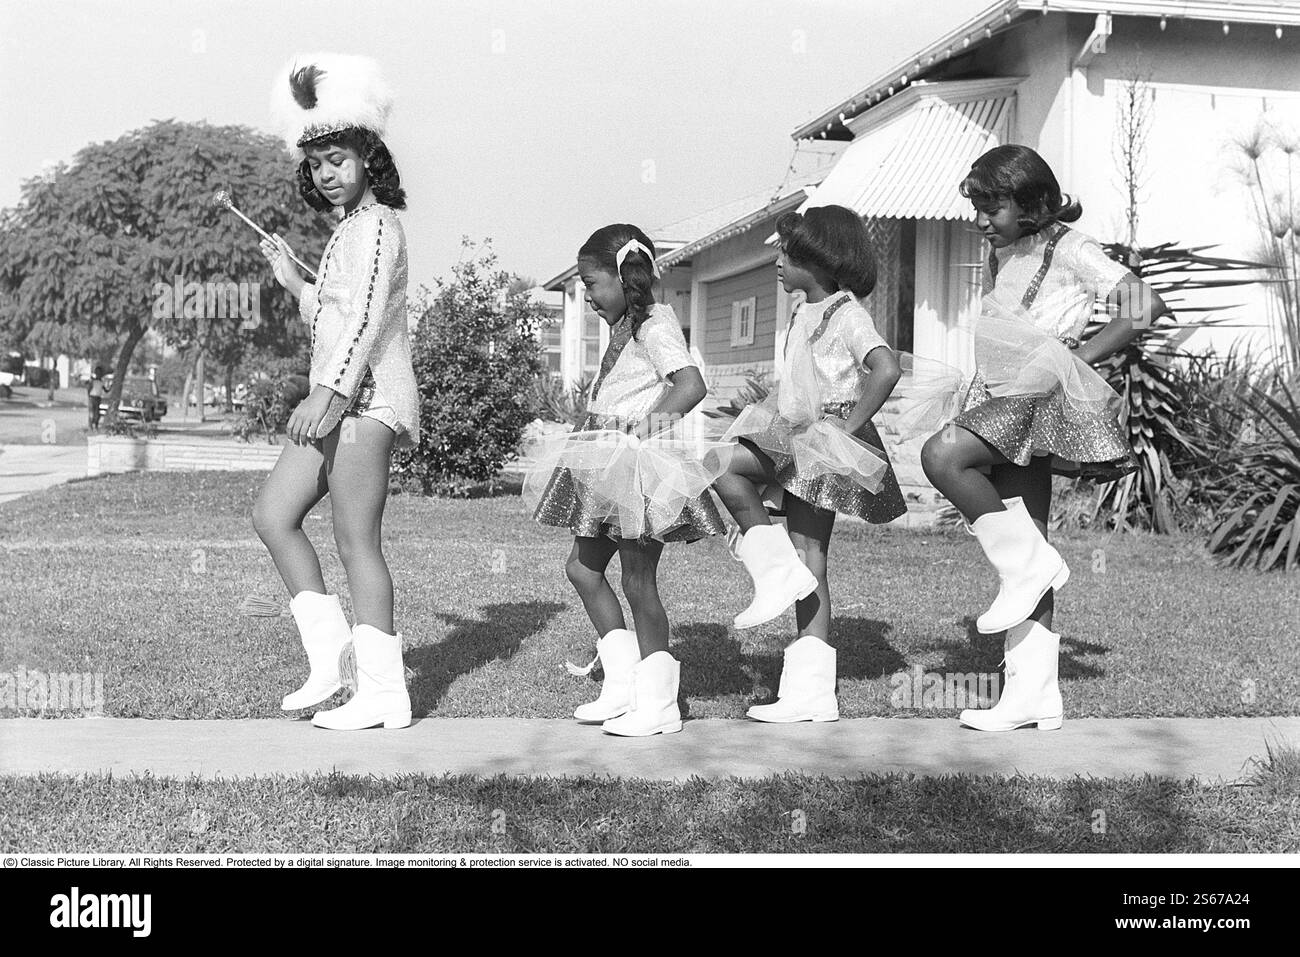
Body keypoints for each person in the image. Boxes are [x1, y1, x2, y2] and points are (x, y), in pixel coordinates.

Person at [920, 144, 1167, 732]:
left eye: (993, 207)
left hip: (1035, 395)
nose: (981, 219)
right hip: (997, 393)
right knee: (1025, 539)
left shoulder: (1070, 247)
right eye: (977, 206)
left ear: (1031, 203)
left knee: (943, 455)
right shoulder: (1001, 249)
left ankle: (1032, 569)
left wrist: (1075, 359)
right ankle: (1033, 695)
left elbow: (1144, 304)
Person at [254, 53, 420, 731]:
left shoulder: (378, 224)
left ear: (368, 159)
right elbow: (333, 311)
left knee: (357, 541)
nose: (327, 172)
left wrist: (326, 396)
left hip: (368, 401)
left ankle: (385, 694)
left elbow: (363, 320)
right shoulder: (348, 230)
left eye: (339, 158)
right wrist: (294, 285)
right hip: (341, 399)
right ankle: (331, 658)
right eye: (317, 161)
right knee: (272, 513)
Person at [525, 224, 722, 737]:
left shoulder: (655, 322)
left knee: (638, 580)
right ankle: (620, 684)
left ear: (621, 276)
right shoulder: (624, 324)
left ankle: (659, 703)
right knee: (582, 569)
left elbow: (691, 384)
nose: (588, 296)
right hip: (602, 460)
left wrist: (641, 434)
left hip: (636, 467)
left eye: (591, 284)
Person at [714, 205, 906, 723]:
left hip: (826, 442)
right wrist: (765, 412)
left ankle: (812, 693)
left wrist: (845, 429)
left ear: (819, 258)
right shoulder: (804, 312)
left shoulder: (848, 314)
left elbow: (885, 369)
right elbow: (799, 382)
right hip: (795, 433)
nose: (777, 261)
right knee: (724, 468)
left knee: (809, 557)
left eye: (786, 252)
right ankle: (777, 580)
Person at [86, 366, 105, 430]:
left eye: (100, 373)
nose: (99, 374)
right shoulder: (93, 381)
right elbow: (89, 389)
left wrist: (111, 387)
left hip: (98, 398)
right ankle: (90, 426)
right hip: (92, 398)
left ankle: (96, 425)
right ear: (96, 373)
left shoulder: (101, 382)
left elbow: (105, 390)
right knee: (91, 413)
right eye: (98, 373)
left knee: (97, 413)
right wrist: (89, 396)